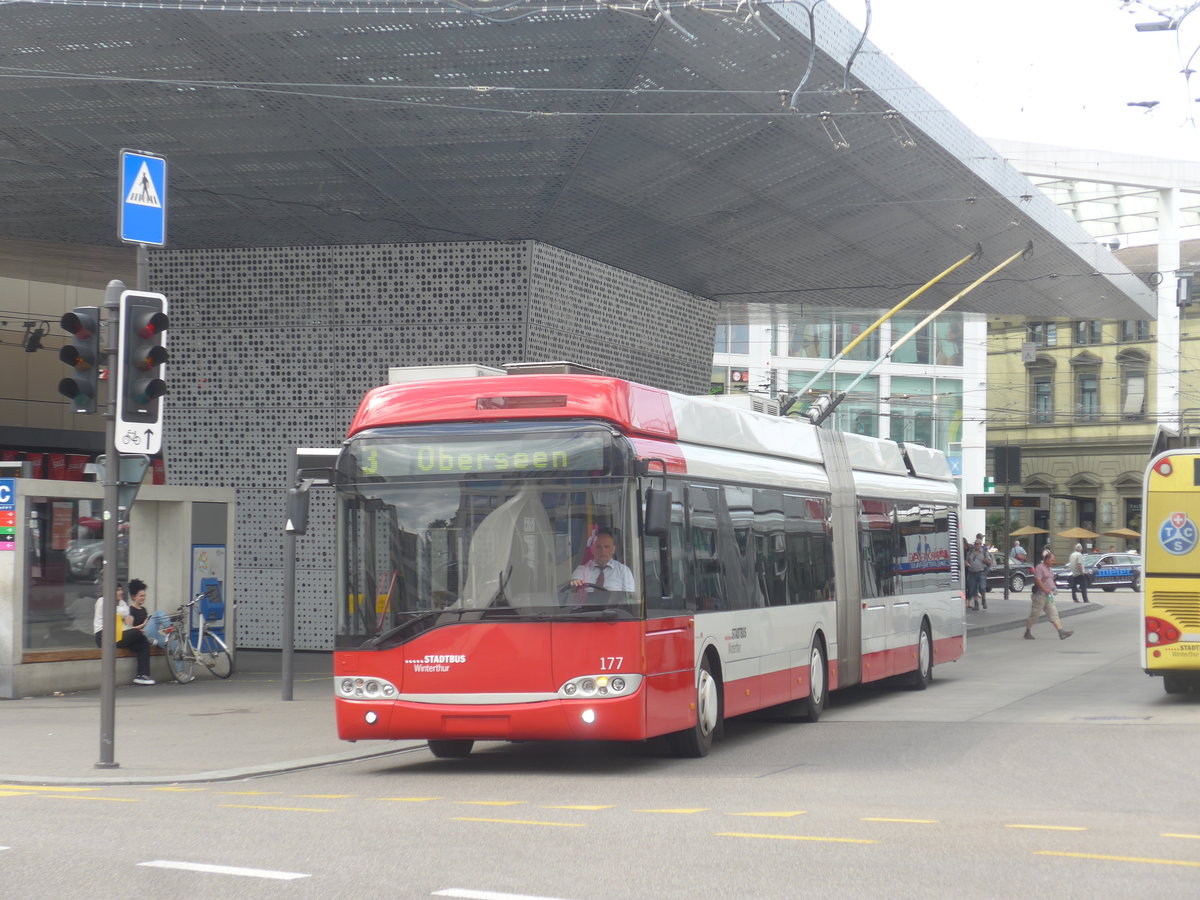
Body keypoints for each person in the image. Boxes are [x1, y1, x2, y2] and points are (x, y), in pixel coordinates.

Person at [93, 584, 154, 685]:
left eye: (121, 590)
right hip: (103, 636)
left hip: (118, 635)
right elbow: (120, 612)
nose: (121, 592)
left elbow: (125, 614)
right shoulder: (102, 601)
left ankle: (142, 675)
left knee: (143, 643)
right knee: (137, 634)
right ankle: (147, 639)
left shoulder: (120, 603)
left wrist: (135, 631)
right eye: (118, 590)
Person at [1025, 549, 1073, 641]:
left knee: (1054, 613)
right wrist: (1044, 589)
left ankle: (1061, 632)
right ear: (1046, 560)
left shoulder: (1050, 569)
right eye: (1052, 560)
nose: (1053, 562)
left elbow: (1050, 580)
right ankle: (1027, 631)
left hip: (1048, 595)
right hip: (1040, 595)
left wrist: (1054, 588)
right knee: (1035, 614)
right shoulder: (1040, 568)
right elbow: (1038, 580)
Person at [571, 529, 635, 594]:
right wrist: (576, 584)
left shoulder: (624, 571)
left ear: (613, 549)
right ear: (592, 549)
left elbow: (629, 599)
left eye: (606, 547)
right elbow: (574, 591)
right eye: (598, 547)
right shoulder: (581, 570)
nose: (602, 550)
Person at [964, 535, 993, 611]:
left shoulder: (984, 552)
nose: (976, 545)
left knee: (982, 588)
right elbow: (966, 560)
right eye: (975, 544)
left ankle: (983, 599)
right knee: (973, 588)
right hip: (972, 572)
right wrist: (966, 563)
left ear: (980, 545)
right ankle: (976, 604)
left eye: (977, 544)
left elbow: (990, 562)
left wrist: (986, 561)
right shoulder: (970, 552)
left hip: (981, 572)